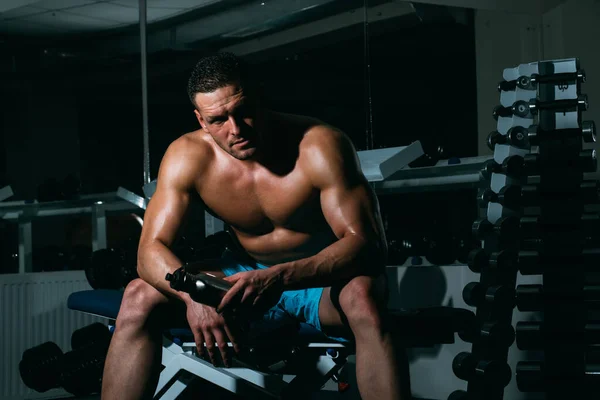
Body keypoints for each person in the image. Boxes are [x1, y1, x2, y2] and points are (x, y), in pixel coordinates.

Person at [101, 52, 410, 400]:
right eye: (218, 120)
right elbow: (149, 252)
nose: (236, 129)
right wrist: (192, 294)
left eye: (243, 111)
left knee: (364, 297)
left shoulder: (320, 144)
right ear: (201, 121)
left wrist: (279, 277)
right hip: (243, 278)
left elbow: (367, 246)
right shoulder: (187, 156)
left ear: (260, 98)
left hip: (317, 282)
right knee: (138, 295)